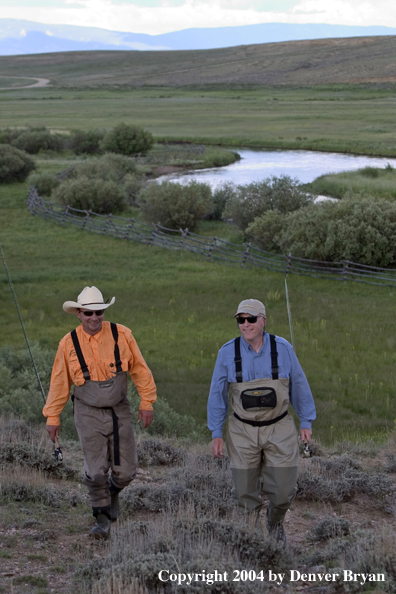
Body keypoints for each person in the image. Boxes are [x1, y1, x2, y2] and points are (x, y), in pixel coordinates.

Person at [43, 286, 157, 539]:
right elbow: (59, 382)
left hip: (120, 409)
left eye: (99, 312)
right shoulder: (67, 344)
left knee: (126, 472)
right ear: (78, 314)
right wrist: (53, 417)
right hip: (87, 411)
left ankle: (111, 491)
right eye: (88, 313)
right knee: (95, 470)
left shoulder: (123, 335)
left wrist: (147, 401)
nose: (94, 318)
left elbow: (140, 369)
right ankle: (102, 518)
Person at [207, 298, 315, 545]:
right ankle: (251, 538)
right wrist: (216, 432)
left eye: (251, 319)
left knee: (284, 491)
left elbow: (298, 384)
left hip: (280, 427)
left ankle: (275, 523)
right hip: (241, 430)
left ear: (263, 321)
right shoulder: (227, 353)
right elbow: (217, 394)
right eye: (241, 320)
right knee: (244, 492)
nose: (245, 325)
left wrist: (306, 420)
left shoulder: (283, 348)